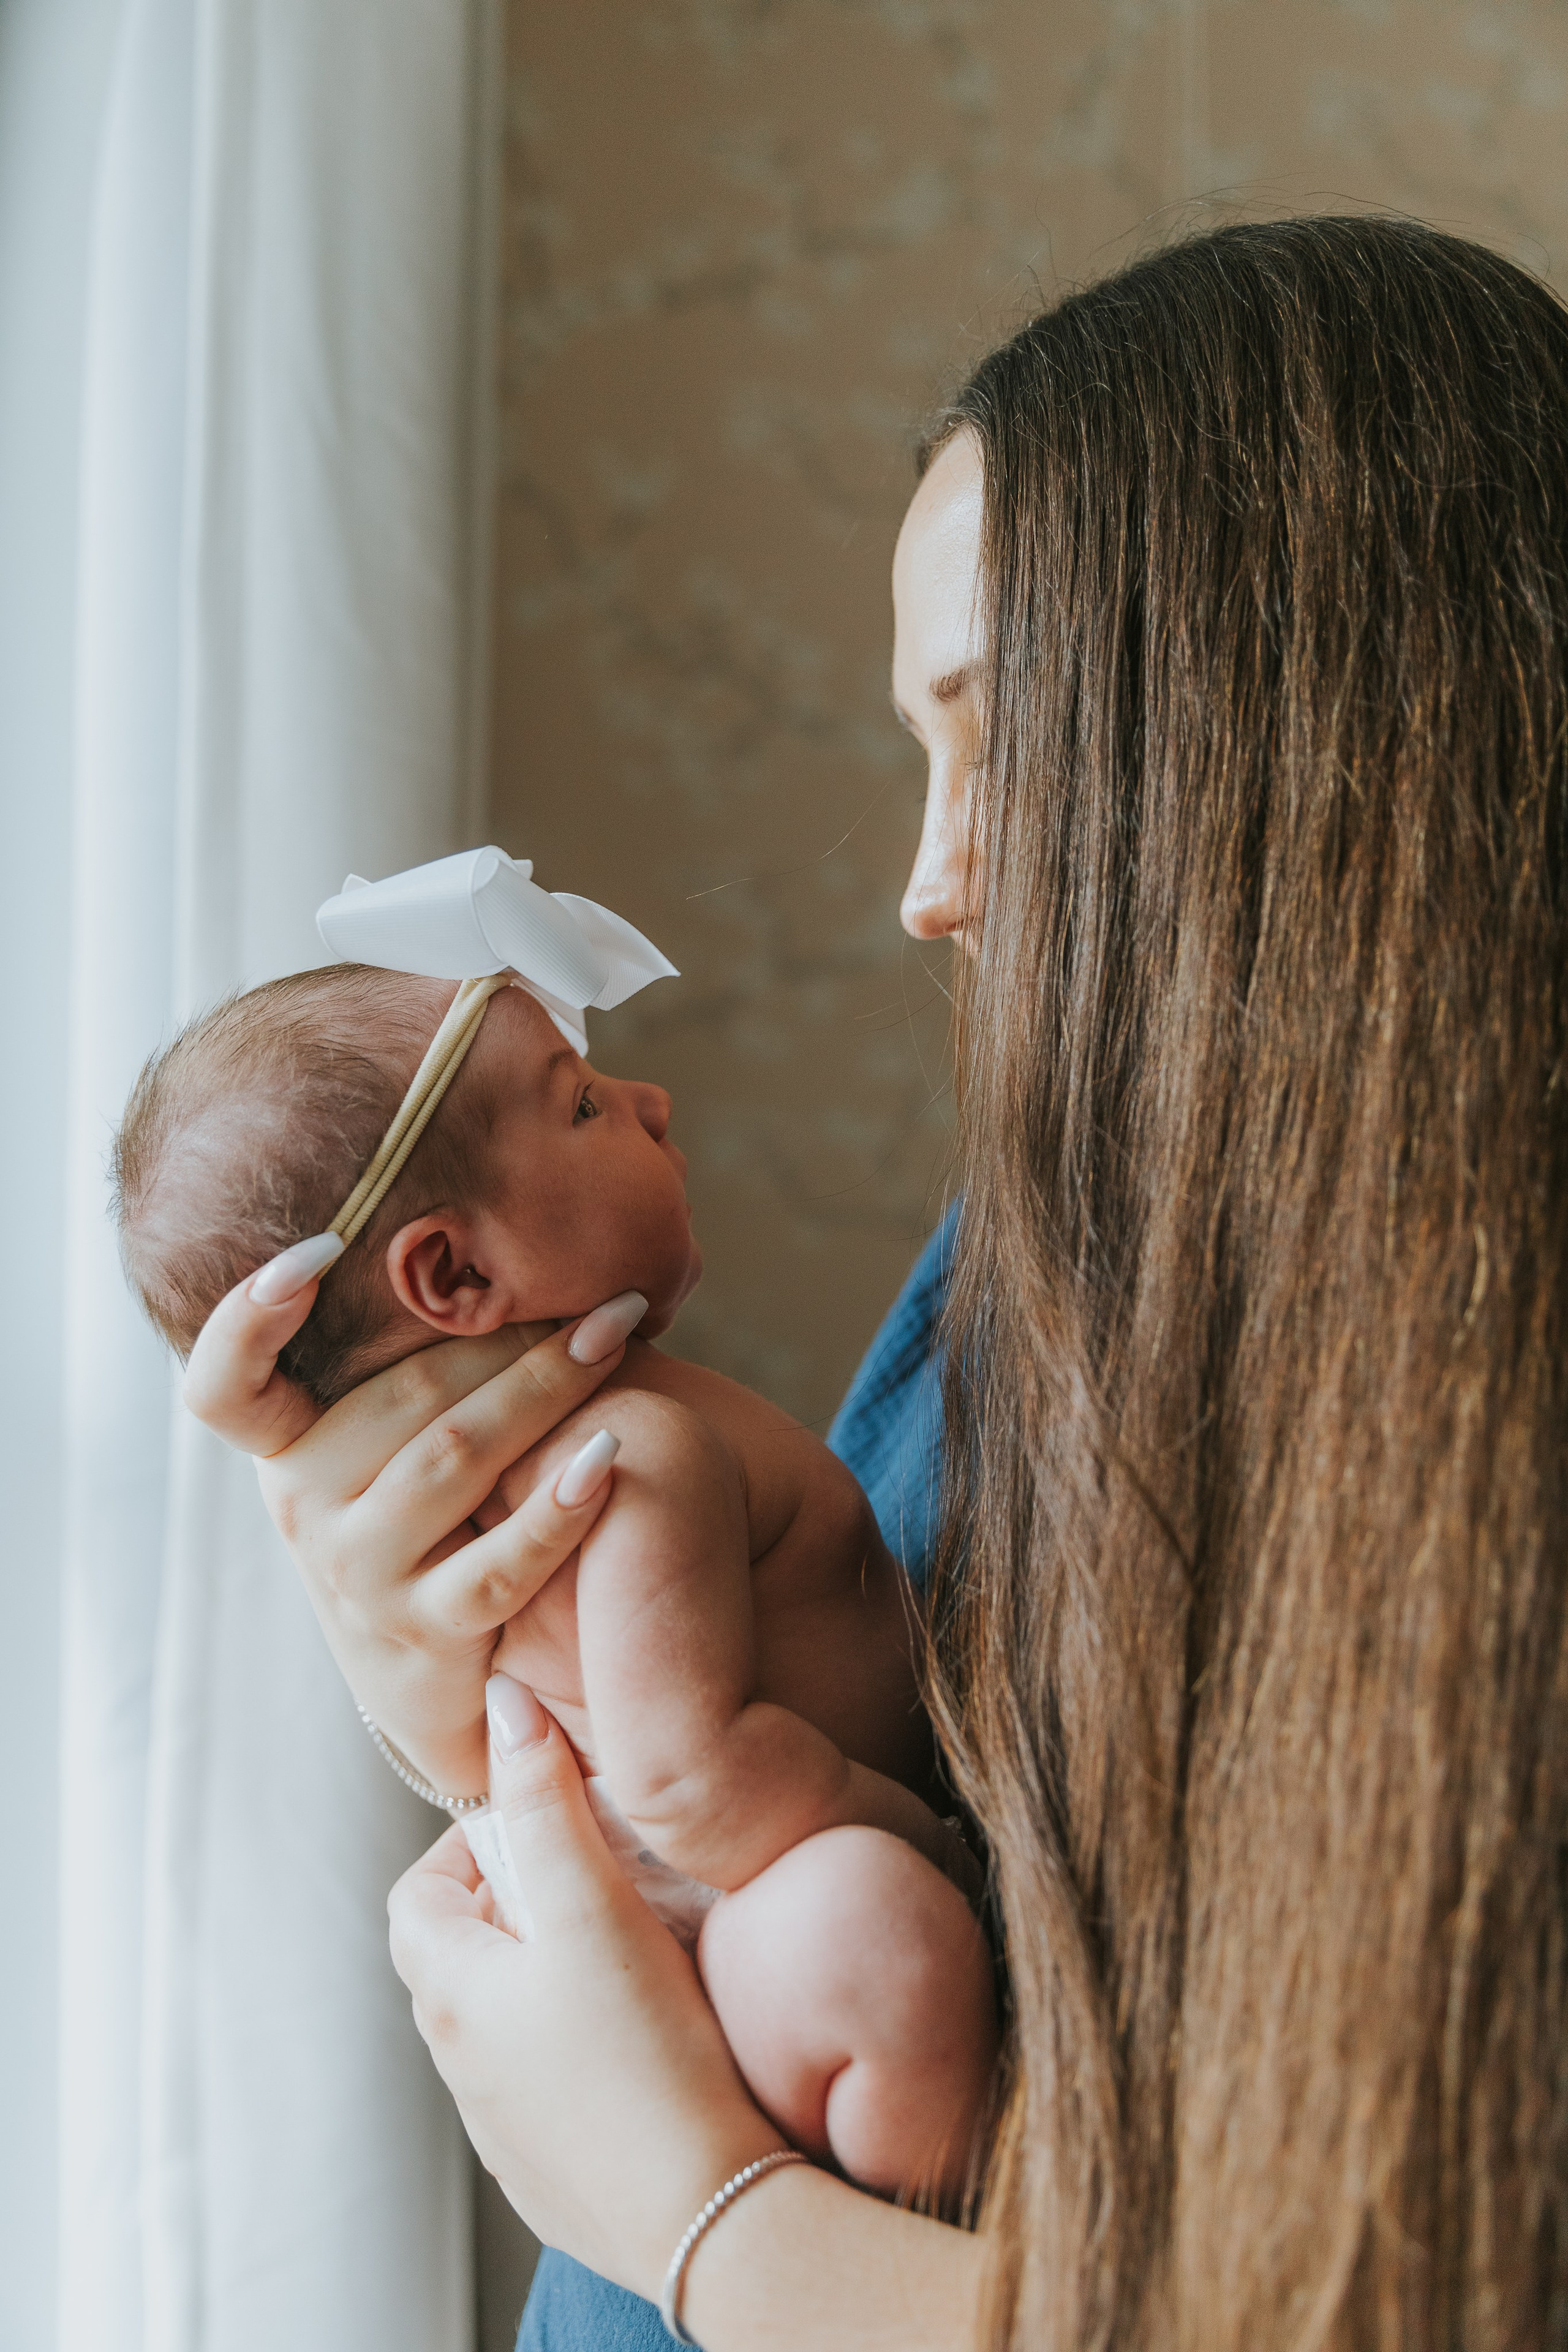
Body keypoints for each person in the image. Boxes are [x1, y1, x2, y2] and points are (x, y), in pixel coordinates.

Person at [186, 216, 1568, 2347]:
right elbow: (770, 1787)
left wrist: (703, 2217)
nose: (929, 888)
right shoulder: (1020, 1281)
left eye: (1002, 738)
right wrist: (475, 1694)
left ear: (1317, 740)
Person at [114, 956, 995, 2195]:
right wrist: (943, 1847)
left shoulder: (470, 1498)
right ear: (458, 1277)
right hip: (716, 1926)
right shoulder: (629, 1453)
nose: (652, 1103)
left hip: (632, 1942)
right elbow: (689, 1779)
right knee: (877, 1933)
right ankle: (956, 2213)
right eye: (580, 1102)